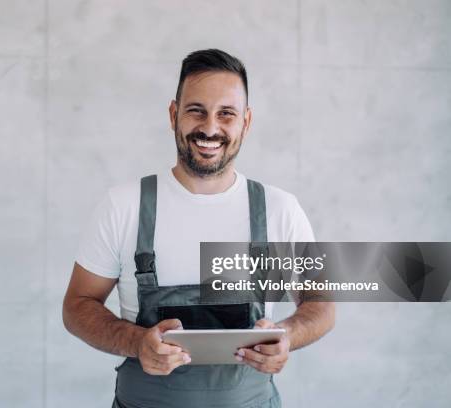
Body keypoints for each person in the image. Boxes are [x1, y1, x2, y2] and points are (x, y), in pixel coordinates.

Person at [63, 49, 335, 408]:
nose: (210, 128)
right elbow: (78, 305)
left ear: (246, 122)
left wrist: (287, 335)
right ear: (174, 114)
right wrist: (136, 342)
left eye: (226, 114)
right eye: (196, 111)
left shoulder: (280, 210)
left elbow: (322, 304)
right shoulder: (123, 206)